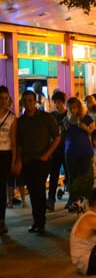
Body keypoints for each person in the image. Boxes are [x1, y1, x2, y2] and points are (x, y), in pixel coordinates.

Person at [14, 90, 60, 234]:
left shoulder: (46, 118)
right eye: (25, 101)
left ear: (35, 102)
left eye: (30, 100)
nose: (28, 103)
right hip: (28, 161)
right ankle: (37, 221)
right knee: (33, 192)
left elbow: (57, 137)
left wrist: (47, 154)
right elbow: (19, 144)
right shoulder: (20, 122)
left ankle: (40, 222)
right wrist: (19, 161)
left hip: (42, 160)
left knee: (38, 190)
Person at [63, 97, 96, 209]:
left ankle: (84, 200)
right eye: (70, 108)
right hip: (70, 151)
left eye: (75, 108)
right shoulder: (65, 120)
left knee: (84, 176)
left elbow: (95, 133)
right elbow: (62, 135)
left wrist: (84, 127)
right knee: (72, 176)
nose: (73, 110)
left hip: (85, 151)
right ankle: (72, 199)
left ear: (79, 108)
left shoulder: (87, 118)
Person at [47, 91, 67, 211]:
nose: (56, 104)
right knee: (54, 175)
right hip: (55, 149)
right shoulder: (51, 115)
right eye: (54, 102)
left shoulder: (68, 114)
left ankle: (72, 199)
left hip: (66, 148)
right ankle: (51, 200)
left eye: (58, 102)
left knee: (69, 174)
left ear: (63, 102)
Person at [0, 86, 16, 234]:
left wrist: (14, 159)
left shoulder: (11, 117)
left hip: (5, 154)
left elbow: (13, 139)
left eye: (6, 98)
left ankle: (1, 220)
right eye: (1, 98)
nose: (4, 101)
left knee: (2, 188)